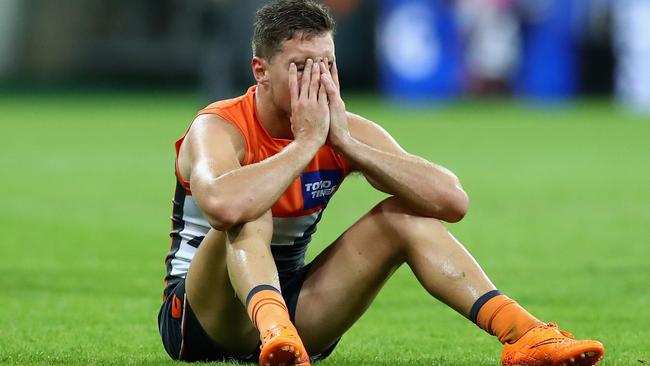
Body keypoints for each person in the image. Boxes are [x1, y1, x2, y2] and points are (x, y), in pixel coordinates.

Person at [157, 1, 605, 365]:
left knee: (404, 216)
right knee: (252, 207)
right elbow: (223, 207)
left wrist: (349, 146)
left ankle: (528, 338)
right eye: (300, 66)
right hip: (201, 318)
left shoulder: (342, 129)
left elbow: (451, 200)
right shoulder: (218, 126)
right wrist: (305, 145)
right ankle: (274, 329)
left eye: (327, 65)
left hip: (294, 309)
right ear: (261, 71)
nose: (318, 80)